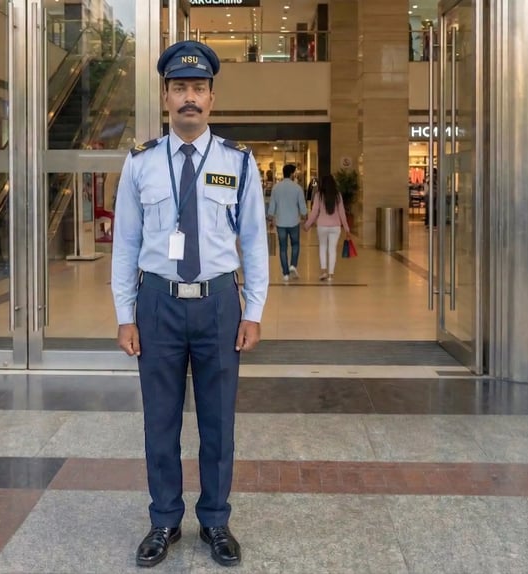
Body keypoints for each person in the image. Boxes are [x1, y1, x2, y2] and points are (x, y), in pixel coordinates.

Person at [110, 40, 269, 568]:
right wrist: (124, 314)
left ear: (212, 99)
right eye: (179, 88)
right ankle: (163, 521)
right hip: (157, 304)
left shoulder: (238, 164)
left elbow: (253, 242)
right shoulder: (140, 164)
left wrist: (254, 311)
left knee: (218, 422)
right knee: (160, 421)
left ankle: (216, 521)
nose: (189, 99)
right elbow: (127, 245)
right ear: (166, 97)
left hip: (220, 304)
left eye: (198, 89)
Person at [303, 174, 350, 281]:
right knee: (332, 249)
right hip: (335, 227)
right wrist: (347, 228)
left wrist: (307, 225)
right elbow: (342, 212)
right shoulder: (337, 195)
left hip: (322, 226)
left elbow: (314, 212)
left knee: (322, 247)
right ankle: (331, 275)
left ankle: (324, 272)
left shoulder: (319, 195)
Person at [267, 164, 307, 281]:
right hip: (294, 221)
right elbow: (302, 206)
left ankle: (285, 273)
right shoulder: (297, 188)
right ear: (291, 174)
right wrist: (304, 216)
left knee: (283, 247)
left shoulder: (276, 188)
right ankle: (293, 265)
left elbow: (272, 205)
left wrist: (270, 218)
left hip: (280, 223)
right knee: (295, 244)